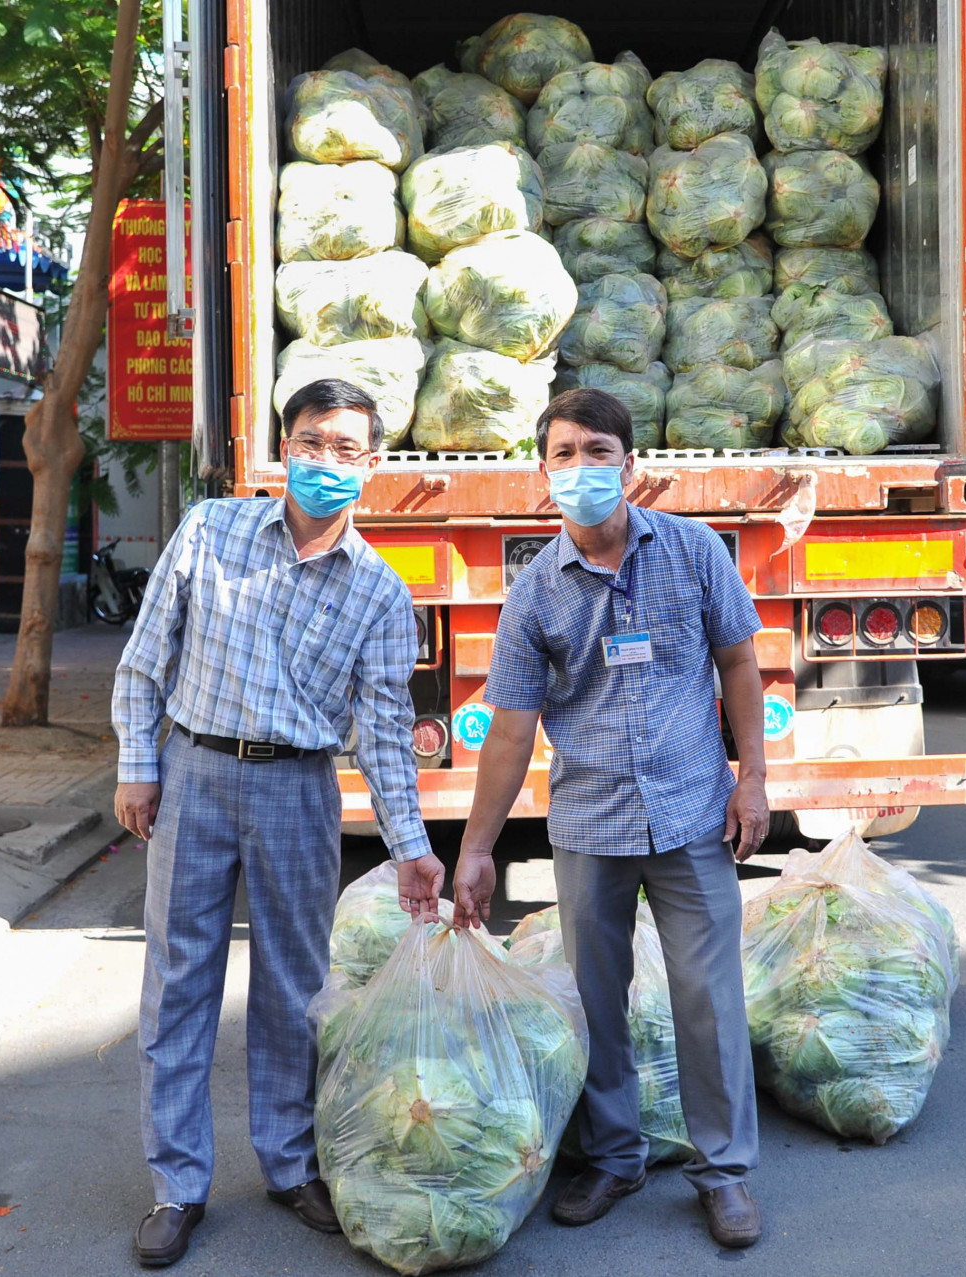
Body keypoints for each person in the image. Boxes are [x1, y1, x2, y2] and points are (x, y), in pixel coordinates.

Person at [111, 379, 445, 1268]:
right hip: (195, 771)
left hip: (299, 790)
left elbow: (381, 730)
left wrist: (412, 846)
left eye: (346, 449)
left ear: (373, 465)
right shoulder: (211, 528)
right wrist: (138, 764)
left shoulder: (378, 592)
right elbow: (148, 657)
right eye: (310, 442)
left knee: (295, 989)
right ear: (282, 447)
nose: (326, 461)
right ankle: (177, 1183)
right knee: (180, 981)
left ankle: (290, 1162)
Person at [451, 388, 770, 1249]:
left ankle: (724, 1172)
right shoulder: (534, 596)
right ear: (541, 471)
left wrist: (754, 779)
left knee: (709, 997)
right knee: (597, 1000)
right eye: (564, 453)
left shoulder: (695, 552)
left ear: (631, 466)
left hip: (692, 813)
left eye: (598, 451)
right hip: (589, 822)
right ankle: (616, 1155)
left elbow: (739, 662)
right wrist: (476, 847)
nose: (582, 467)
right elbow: (511, 728)